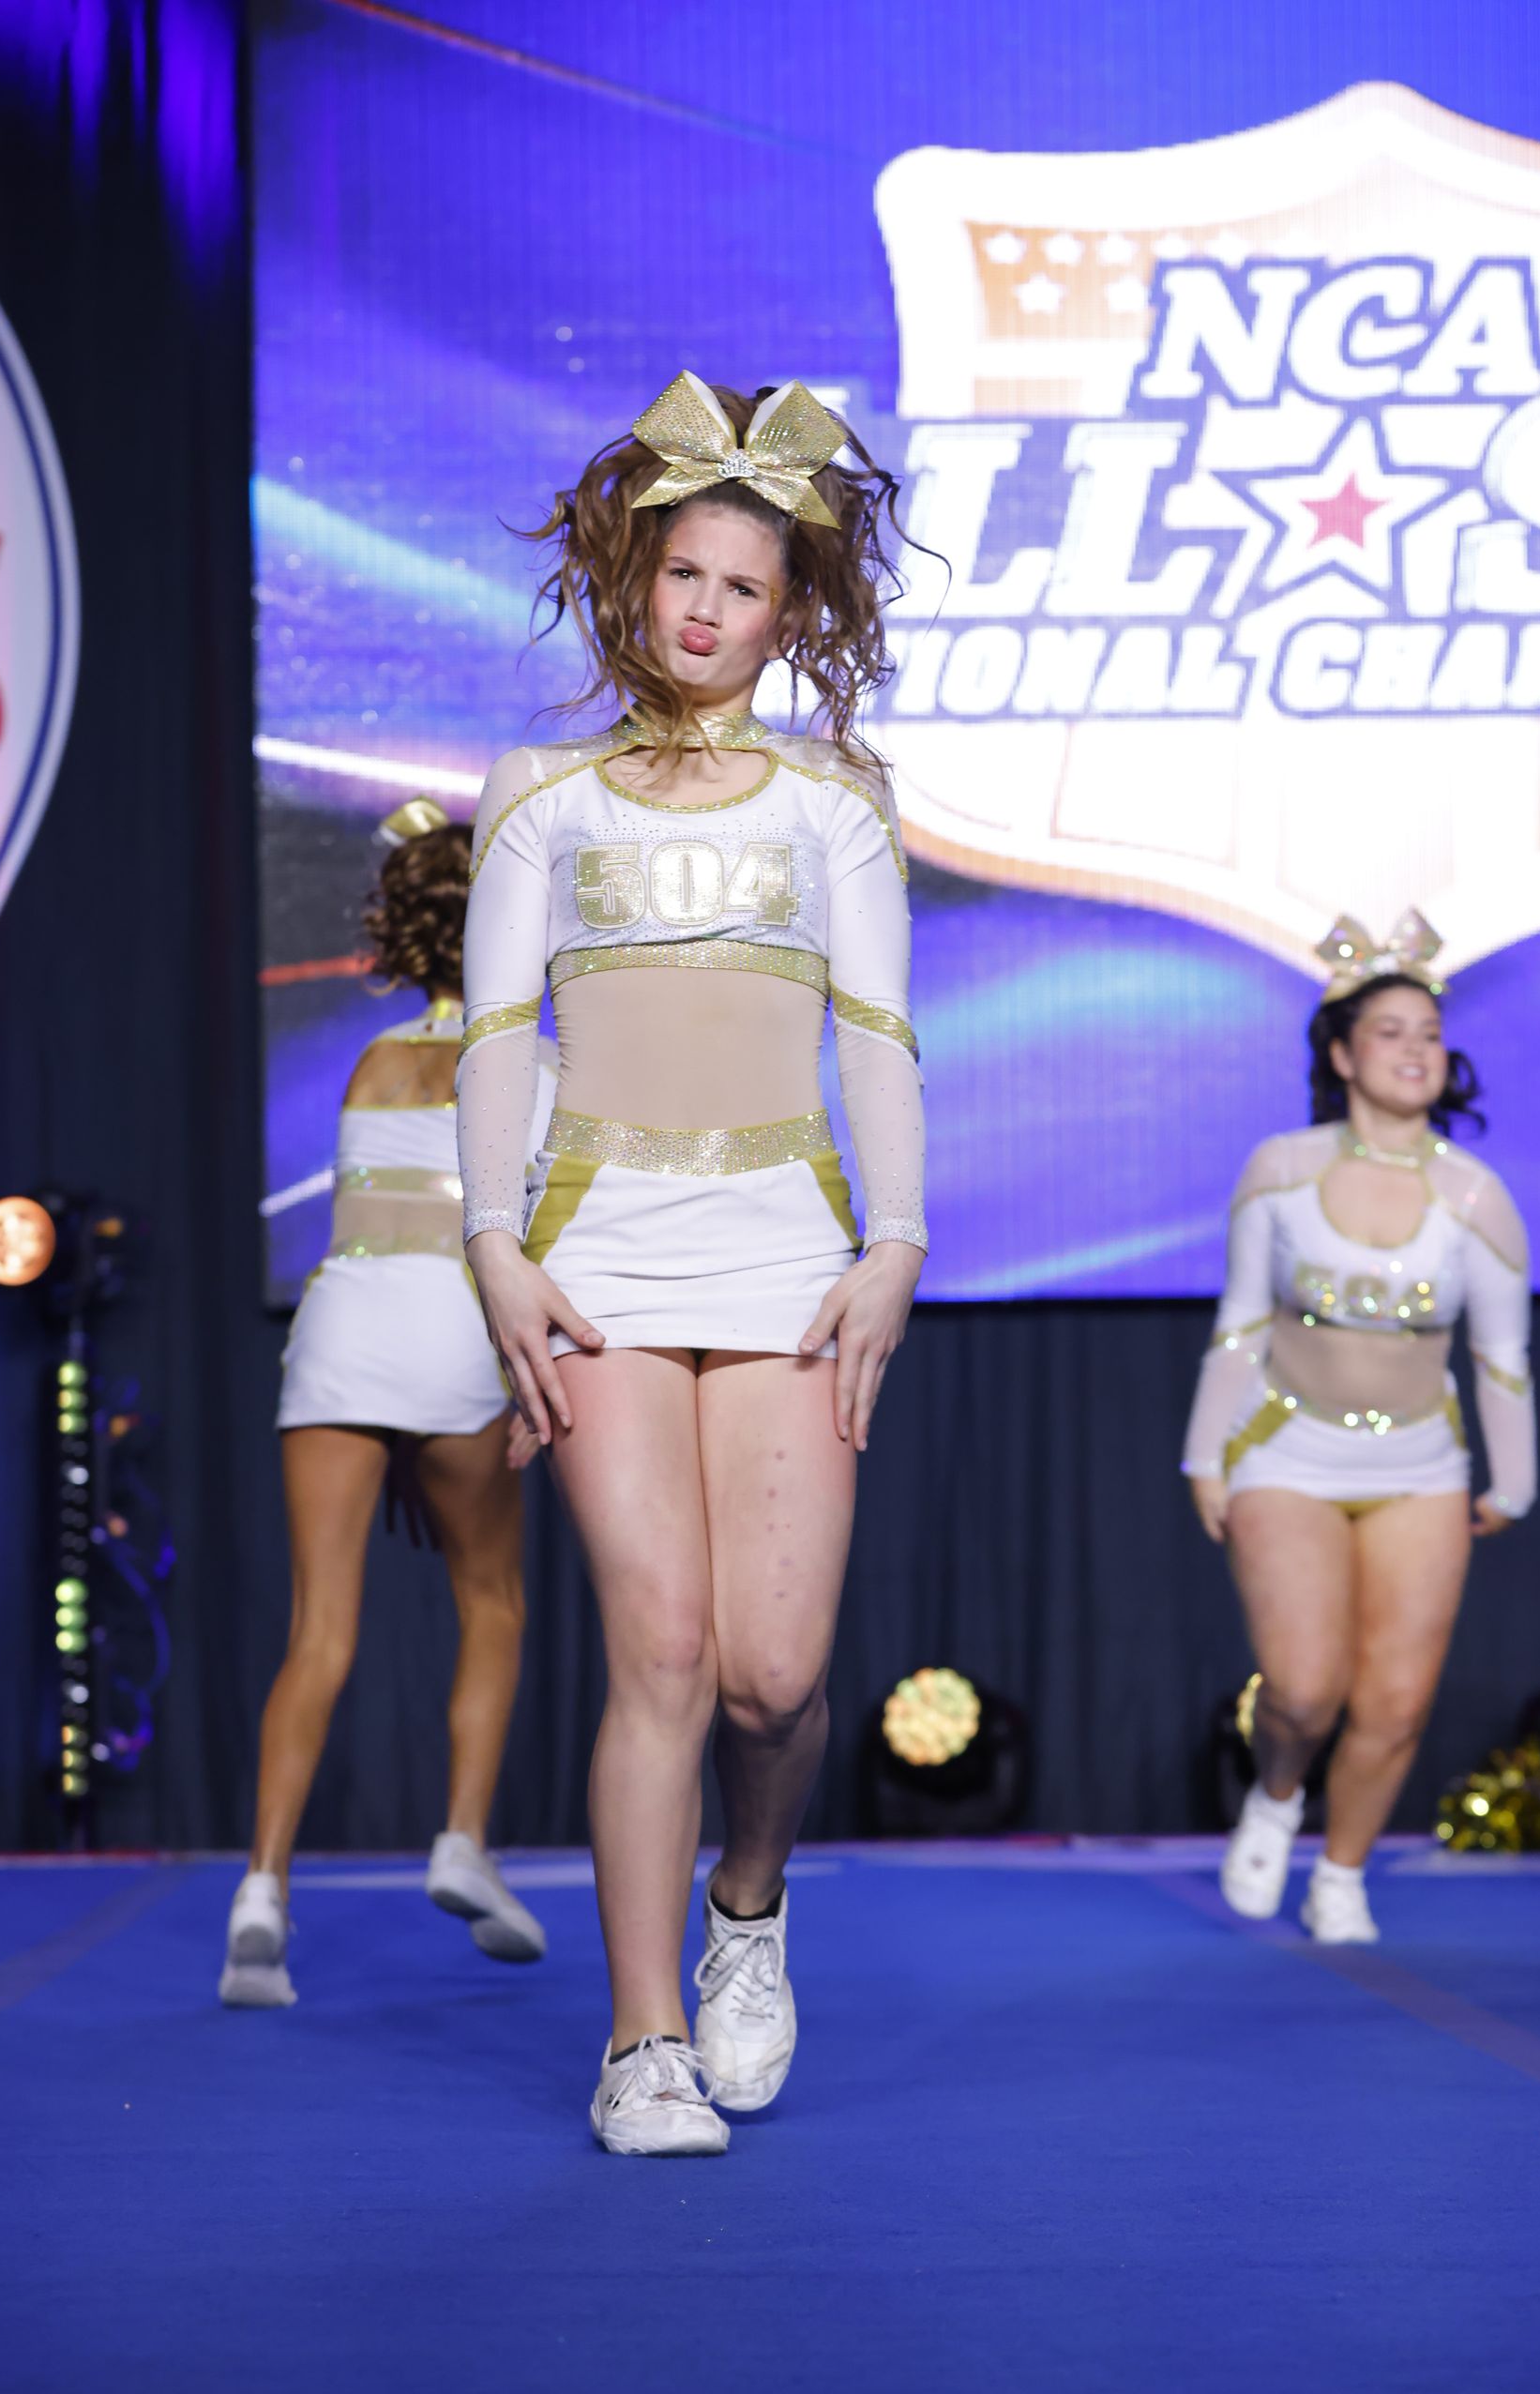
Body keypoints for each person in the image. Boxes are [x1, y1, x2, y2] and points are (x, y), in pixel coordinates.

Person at [459, 373, 925, 2153]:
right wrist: (494, 1244)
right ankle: (641, 2038)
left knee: (773, 1676)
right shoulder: (539, 788)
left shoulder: (837, 802)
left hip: (790, 1244)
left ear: (789, 611)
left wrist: (896, 1241)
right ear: (634, 581)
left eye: (746, 584)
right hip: (598, 1255)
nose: (708, 609)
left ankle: (748, 1901)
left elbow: (876, 1034)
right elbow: (503, 1032)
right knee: (656, 1643)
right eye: (685, 575)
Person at [221, 801, 553, 2008]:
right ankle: (463, 1839)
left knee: (318, 1633)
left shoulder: (371, 1062)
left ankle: (261, 1887)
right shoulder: (527, 1061)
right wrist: (527, 1388)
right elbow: (523, 1247)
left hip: (337, 1332)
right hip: (453, 1329)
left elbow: (367, 1222)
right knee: (493, 1599)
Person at [1182, 912, 1534, 1943]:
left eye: (1426, 1032)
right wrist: (1204, 1455)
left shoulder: (1478, 1198)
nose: (1413, 1049)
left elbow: (1500, 1357)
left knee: (1392, 1700)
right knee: (1301, 1686)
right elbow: (1239, 1324)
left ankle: (1340, 1875)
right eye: (1388, 1031)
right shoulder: (1279, 1168)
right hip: (1284, 1446)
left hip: (1420, 1460)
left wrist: (1508, 1483)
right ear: (1339, 1053)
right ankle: (1279, 1790)